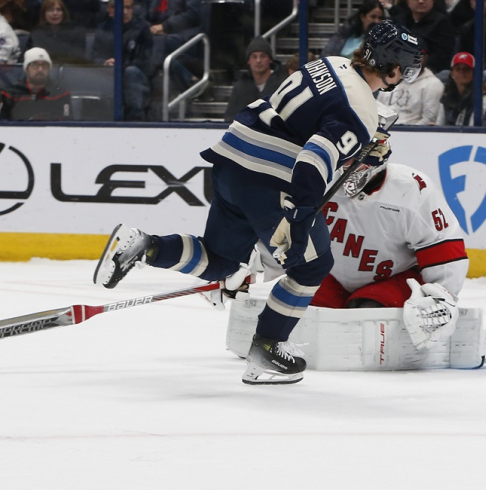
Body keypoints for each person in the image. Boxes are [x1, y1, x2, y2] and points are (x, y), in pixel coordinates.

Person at [92, 20, 423, 385]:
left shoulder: (330, 63)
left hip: (233, 158)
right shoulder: (362, 111)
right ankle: (267, 347)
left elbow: (309, 115)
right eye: (405, 67)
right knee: (313, 265)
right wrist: (299, 219)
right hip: (270, 176)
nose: (405, 74)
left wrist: (361, 145)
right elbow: (314, 159)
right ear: (392, 67)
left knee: (220, 261)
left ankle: (144, 245)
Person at [309, 160, 468, 348]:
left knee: (368, 315)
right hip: (332, 275)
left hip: (394, 279)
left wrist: (441, 297)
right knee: (301, 308)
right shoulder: (317, 175)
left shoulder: (411, 188)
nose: (346, 165)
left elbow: (442, 246)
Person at [92, 0, 154, 121]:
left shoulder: (142, 28)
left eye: (128, 8)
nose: (125, 12)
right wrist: (104, 63)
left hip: (136, 77)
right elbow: (94, 56)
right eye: (120, 8)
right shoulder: (102, 29)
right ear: (110, 9)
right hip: (107, 74)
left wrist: (123, 66)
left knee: (131, 72)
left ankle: (135, 119)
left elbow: (148, 61)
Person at [223, 37, 287, 122]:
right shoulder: (241, 86)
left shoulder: (282, 84)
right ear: (248, 61)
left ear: (270, 59)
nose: (258, 60)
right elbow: (230, 118)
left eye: (263, 56)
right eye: (254, 57)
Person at [0, 47, 72, 119]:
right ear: (27, 69)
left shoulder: (60, 93)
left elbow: (66, 125)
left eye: (44, 65)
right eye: (35, 65)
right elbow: (0, 124)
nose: (40, 69)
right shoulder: (11, 93)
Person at [376, 47, 444, 125]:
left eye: (418, 55)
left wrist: (408, 133)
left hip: (413, 133)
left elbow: (429, 119)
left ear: (425, 57)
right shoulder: (390, 77)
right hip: (382, 131)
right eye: (411, 54)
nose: (414, 58)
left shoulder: (433, 84)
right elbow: (377, 112)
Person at [393, 0, 457, 73]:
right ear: (407, 2)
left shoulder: (442, 23)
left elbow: (442, 54)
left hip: (430, 71)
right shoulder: (399, 21)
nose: (421, 1)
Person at [27, 0, 89, 65]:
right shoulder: (37, 33)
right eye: (50, 10)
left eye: (58, 10)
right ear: (44, 13)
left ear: (64, 12)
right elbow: (32, 58)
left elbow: (78, 57)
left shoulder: (76, 31)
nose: (55, 13)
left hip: (70, 68)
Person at [436, 51, 476, 126]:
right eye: (458, 69)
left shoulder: (479, 97)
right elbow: (440, 123)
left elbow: (473, 128)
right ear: (452, 73)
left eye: (467, 69)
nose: (462, 72)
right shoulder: (446, 95)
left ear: (474, 73)